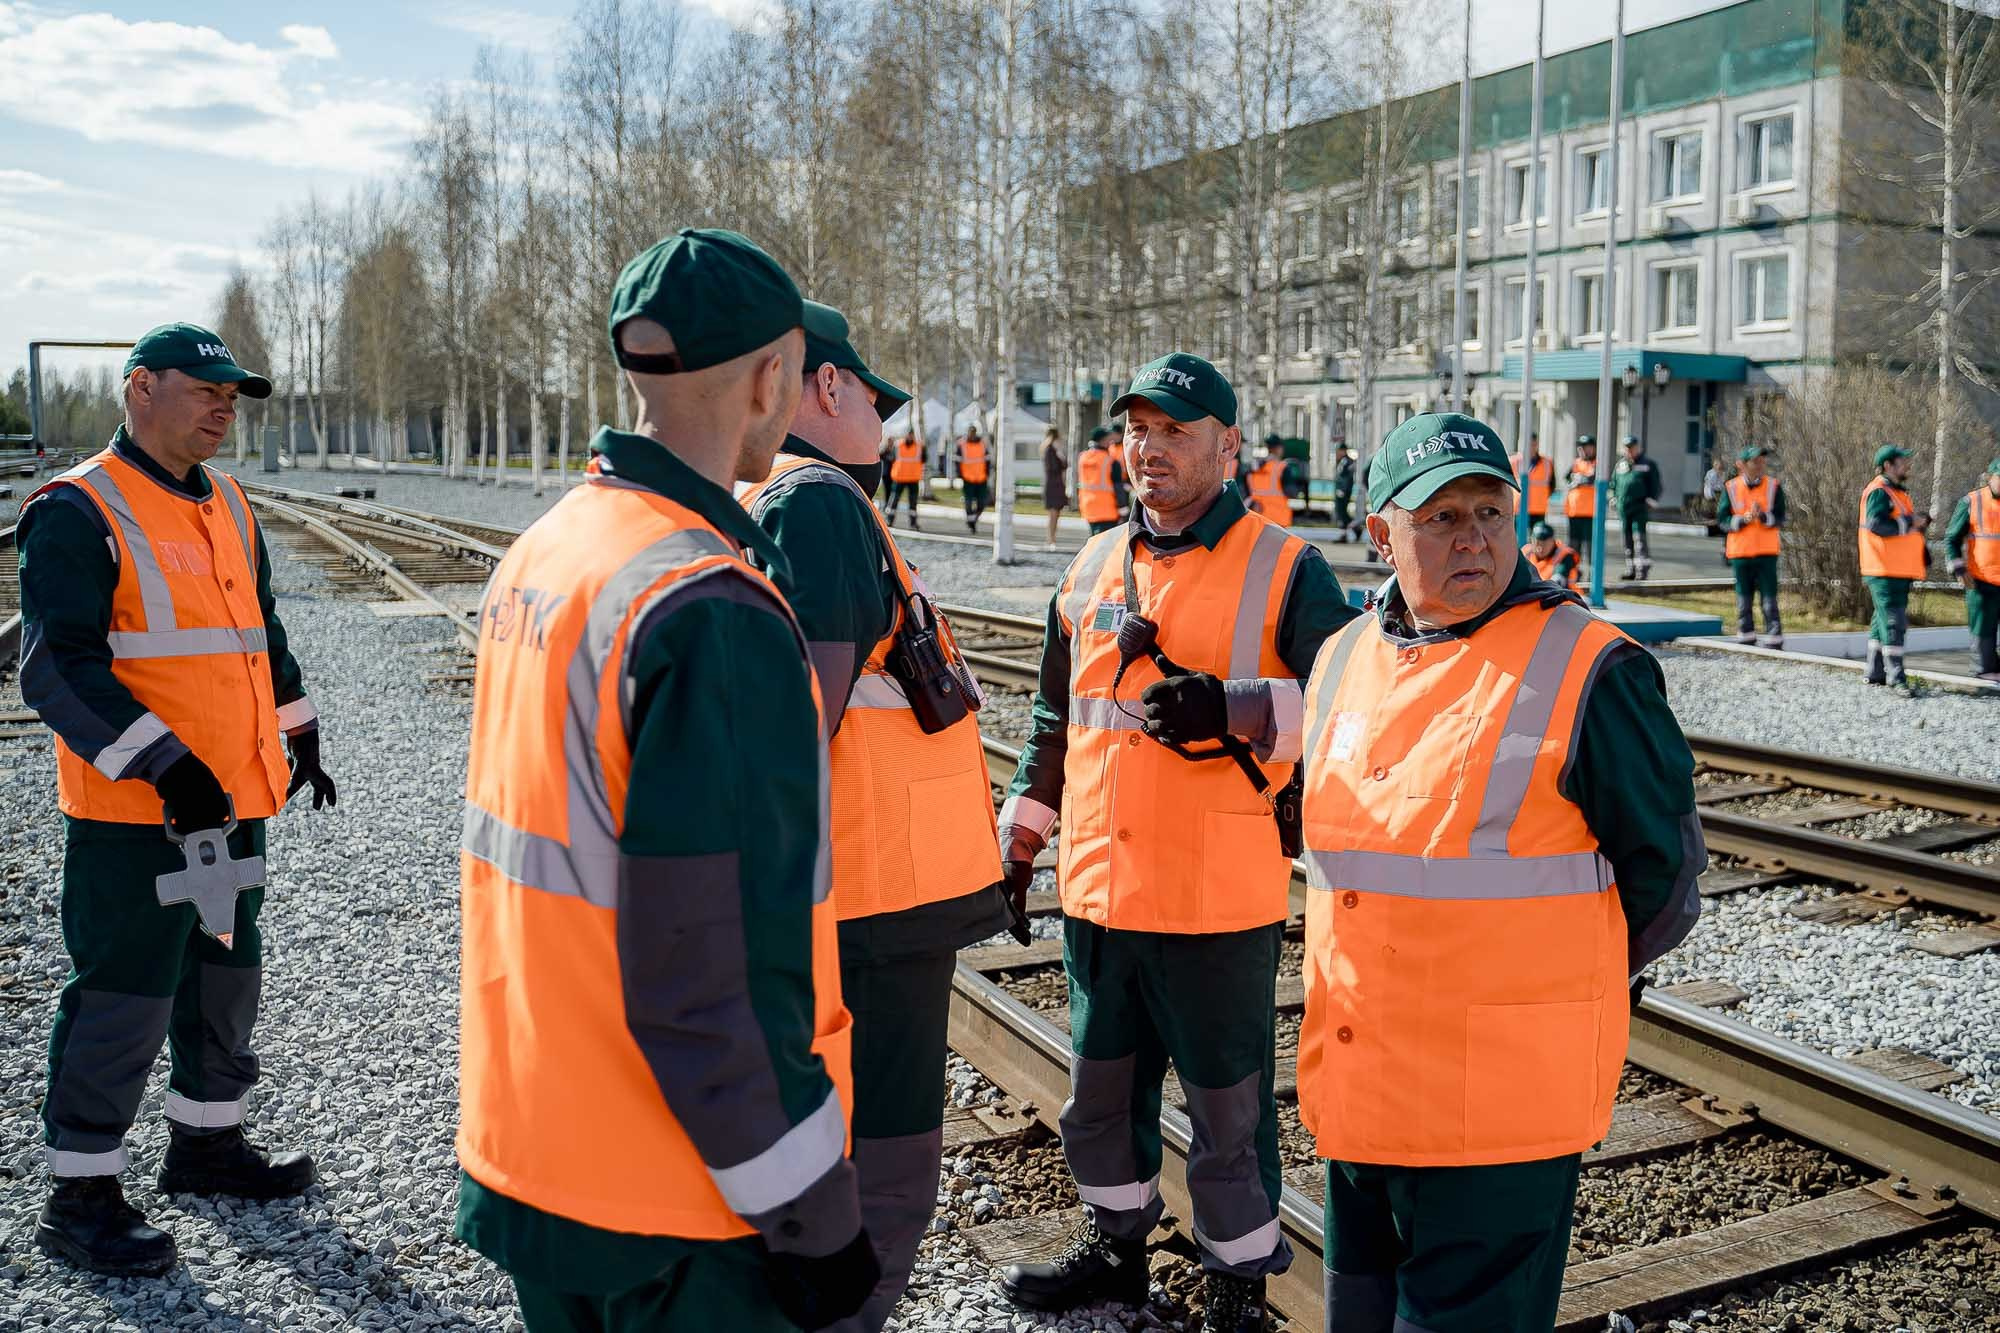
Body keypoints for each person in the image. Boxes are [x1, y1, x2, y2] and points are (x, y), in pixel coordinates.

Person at [453, 229, 877, 1333]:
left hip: (535, 1140)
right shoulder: (710, 606)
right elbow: (715, 968)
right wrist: (808, 1208)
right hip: (681, 1202)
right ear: (773, 376)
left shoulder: (550, 550)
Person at [1296, 411, 1702, 1333]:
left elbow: (1666, 879)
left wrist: (1560, 986)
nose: (1472, 537)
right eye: (1439, 517)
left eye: (1490, 510)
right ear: (1381, 534)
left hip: (1498, 1115)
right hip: (1362, 1091)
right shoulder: (1342, 658)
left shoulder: (1590, 665)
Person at [994, 352, 1358, 1333]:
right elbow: (1048, 726)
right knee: (1097, 1106)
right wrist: (1021, 839)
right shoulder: (1084, 571)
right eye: (1136, 431)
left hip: (1213, 906)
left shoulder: (1286, 567)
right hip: (1101, 899)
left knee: (1227, 1122)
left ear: (1228, 446)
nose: (1148, 449)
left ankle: (1236, 1293)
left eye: (1175, 431)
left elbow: (1356, 708)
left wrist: (1236, 707)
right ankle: (1116, 1259)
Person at [18, 323, 337, 1276]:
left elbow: (255, 634)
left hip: (235, 802)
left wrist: (300, 725)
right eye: (204, 389)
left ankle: (206, 1148)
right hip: (134, 821)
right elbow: (55, 668)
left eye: (231, 394)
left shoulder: (231, 506)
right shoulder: (79, 508)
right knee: (124, 995)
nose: (222, 407)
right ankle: (79, 1197)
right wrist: (166, 765)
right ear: (139, 388)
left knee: (223, 980)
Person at [739, 301, 1009, 1332]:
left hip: (867, 895)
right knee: (883, 1169)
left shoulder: (784, 499)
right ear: (827, 387)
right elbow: (796, 724)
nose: (886, 429)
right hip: (875, 901)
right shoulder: (817, 503)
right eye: (877, 403)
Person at [1859, 444, 1932, 691]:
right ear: (1888, 465)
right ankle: (1896, 676)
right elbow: (1877, 526)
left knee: (1882, 620)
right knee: (1894, 621)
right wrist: (1912, 522)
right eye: (1902, 461)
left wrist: (1915, 524)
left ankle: (1875, 671)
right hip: (1884, 569)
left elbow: (1899, 527)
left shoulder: (1896, 492)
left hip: (1894, 569)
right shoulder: (1880, 491)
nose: (1907, 464)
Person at [1718, 445, 1786, 648]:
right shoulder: (1731, 487)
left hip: (1766, 551)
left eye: (1762, 461)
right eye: (1755, 461)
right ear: (1742, 465)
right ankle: (1746, 634)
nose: (1760, 465)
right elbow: (1722, 519)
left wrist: (1764, 517)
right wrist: (1742, 520)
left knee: (1769, 595)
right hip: (1741, 552)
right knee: (1744, 595)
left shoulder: (1773, 486)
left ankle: (1774, 636)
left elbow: (1781, 517)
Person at [1945, 457, 2000, 681]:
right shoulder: (1972, 501)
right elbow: (1951, 538)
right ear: (1990, 477)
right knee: (1983, 630)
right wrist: (1958, 569)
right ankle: (1983, 673)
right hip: (1981, 581)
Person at [1611, 434, 1662, 580]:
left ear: (1637, 448)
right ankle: (1631, 569)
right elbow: (1614, 484)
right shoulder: (1620, 465)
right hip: (1624, 508)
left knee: (1639, 539)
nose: (1630, 451)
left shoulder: (1647, 464)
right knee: (1627, 540)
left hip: (1639, 508)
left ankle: (1642, 569)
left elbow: (1656, 484)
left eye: (1632, 448)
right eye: (1627, 449)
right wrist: (1613, 498)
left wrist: (1651, 499)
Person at [1077, 425, 1126, 534]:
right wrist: (1123, 509)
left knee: (1094, 542)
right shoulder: (1110, 461)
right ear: (1103, 440)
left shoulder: (1083, 457)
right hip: (1107, 510)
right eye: (1109, 439)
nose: (1111, 442)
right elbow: (1118, 487)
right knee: (1106, 546)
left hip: (1088, 507)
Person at [1563, 435, 1598, 564]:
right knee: (1573, 544)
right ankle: (1573, 571)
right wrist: (1578, 479)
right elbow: (1567, 479)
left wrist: (1579, 479)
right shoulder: (1576, 463)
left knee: (1590, 545)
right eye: (1581, 448)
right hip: (1574, 511)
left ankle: (1592, 573)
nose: (1584, 451)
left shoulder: (1597, 463)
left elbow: (1591, 479)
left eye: (1587, 447)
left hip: (1590, 512)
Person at [1245, 434, 1294, 527]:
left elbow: (1246, 490)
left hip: (1257, 517)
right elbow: (1291, 492)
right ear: (1278, 448)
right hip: (1278, 519)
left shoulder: (1254, 468)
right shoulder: (1282, 467)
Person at [1521, 519, 1580, 590]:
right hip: (1534, 595)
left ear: (1552, 541)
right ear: (1532, 540)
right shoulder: (1526, 552)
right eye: (1537, 543)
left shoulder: (1565, 554)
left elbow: (1558, 581)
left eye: (1544, 544)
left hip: (1566, 596)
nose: (1540, 548)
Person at [1508, 433, 1553, 525]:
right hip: (1518, 508)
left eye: (1533, 444)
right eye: (1527, 444)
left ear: (1537, 445)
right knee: (1517, 537)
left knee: (1537, 538)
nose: (1530, 448)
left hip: (1538, 509)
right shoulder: (1513, 461)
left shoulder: (1547, 463)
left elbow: (1552, 485)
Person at [885, 431, 925, 528]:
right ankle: (889, 520)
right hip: (900, 477)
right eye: (909, 434)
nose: (910, 437)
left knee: (913, 502)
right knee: (894, 500)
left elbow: (924, 459)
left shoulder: (919, 447)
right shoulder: (898, 445)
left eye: (912, 435)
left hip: (913, 478)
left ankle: (913, 523)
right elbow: (890, 458)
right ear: (905, 435)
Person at [958, 423, 991, 532]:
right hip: (968, 478)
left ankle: (973, 520)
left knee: (982, 503)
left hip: (981, 478)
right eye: (970, 432)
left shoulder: (982, 444)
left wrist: (987, 473)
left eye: (974, 432)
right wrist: (960, 474)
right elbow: (958, 461)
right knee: (968, 502)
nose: (972, 434)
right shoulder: (962, 444)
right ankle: (971, 523)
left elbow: (987, 460)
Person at [1042, 427, 1070, 546]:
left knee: (1056, 514)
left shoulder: (1053, 450)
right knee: (1053, 514)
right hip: (1053, 485)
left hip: (1057, 485)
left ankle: (1052, 538)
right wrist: (1060, 456)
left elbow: (1064, 465)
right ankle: (1050, 538)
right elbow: (1056, 467)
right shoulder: (1050, 450)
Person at [1332, 445, 1358, 535]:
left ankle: (1354, 528)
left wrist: (1342, 489)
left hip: (1343, 490)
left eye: (1339, 450)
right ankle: (1352, 529)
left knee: (1342, 511)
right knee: (1340, 511)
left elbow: (1346, 478)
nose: (1338, 453)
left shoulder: (1347, 461)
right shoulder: (1343, 461)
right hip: (1341, 489)